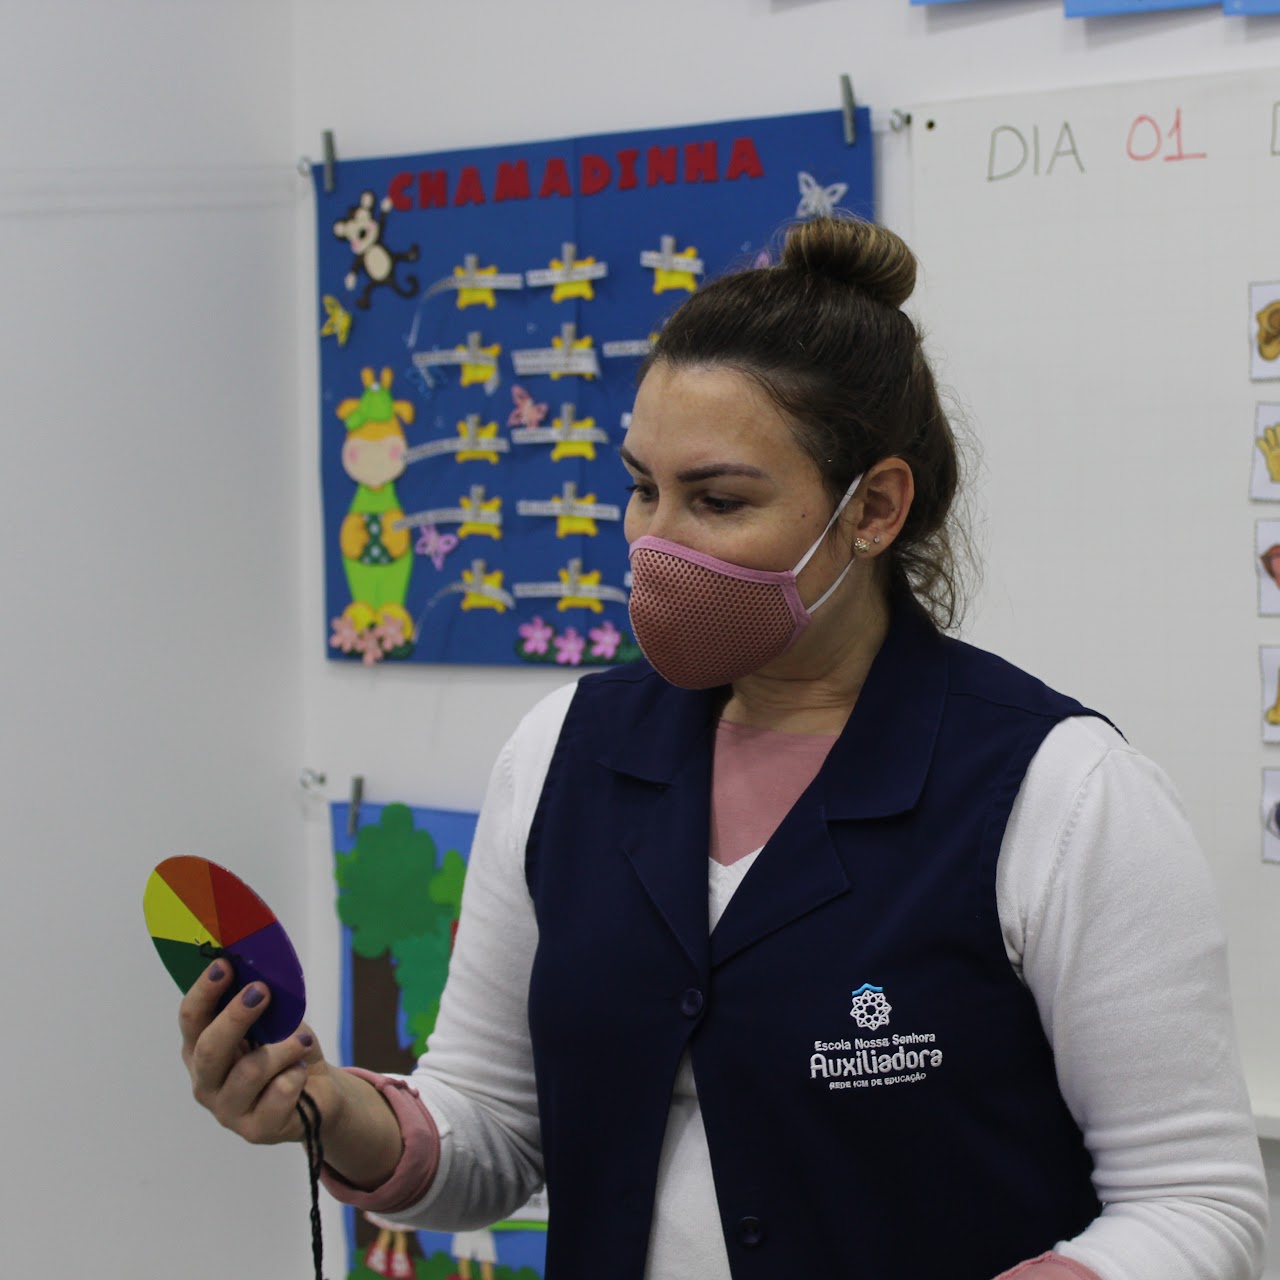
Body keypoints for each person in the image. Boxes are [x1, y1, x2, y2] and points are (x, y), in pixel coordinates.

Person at [180, 216, 1268, 1279]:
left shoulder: (1062, 794)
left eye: (717, 499)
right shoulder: (561, 754)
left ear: (874, 509)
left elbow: (1194, 1199)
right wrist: (332, 1109)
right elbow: (493, 1126)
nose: (654, 544)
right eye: (641, 488)